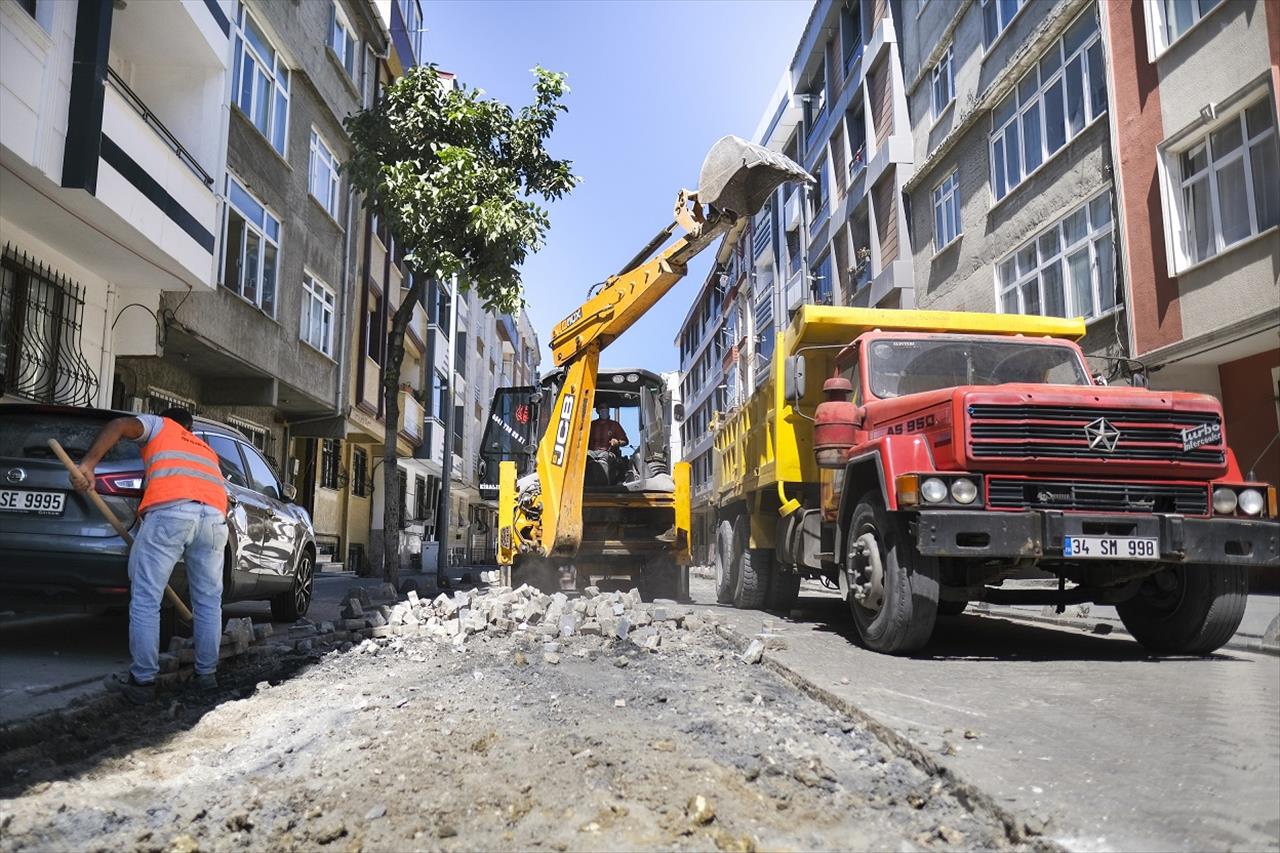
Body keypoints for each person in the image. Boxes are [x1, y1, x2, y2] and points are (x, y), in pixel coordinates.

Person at [72, 407, 228, 704]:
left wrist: (88, 465)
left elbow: (118, 425)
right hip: (214, 519)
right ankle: (206, 676)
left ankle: (142, 682)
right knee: (209, 601)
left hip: (173, 513)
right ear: (190, 428)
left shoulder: (160, 426)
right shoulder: (205, 450)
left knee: (146, 598)